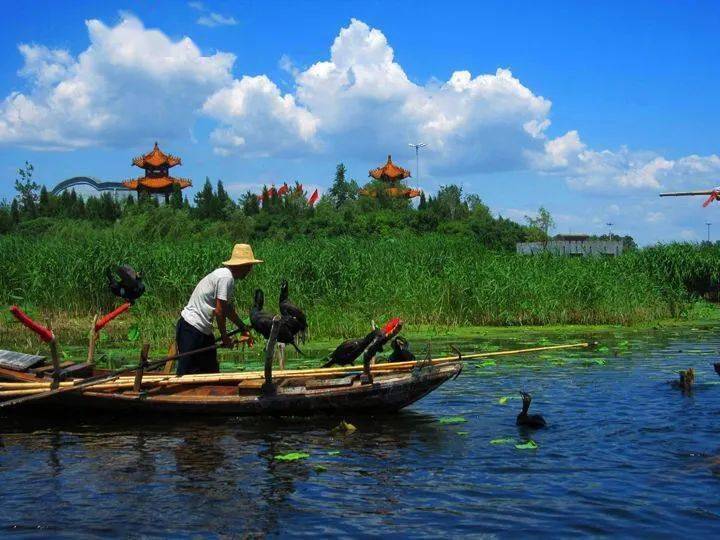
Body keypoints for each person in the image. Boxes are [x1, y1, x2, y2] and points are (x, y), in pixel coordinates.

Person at [175, 244, 262, 376]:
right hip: (191, 328)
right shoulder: (225, 277)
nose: (250, 270)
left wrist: (242, 327)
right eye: (249, 266)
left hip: (203, 331)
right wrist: (225, 337)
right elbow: (219, 311)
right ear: (241, 265)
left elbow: (227, 308)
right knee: (185, 373)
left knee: (211, 372)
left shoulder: (225, 276)